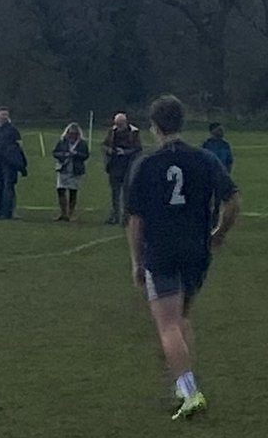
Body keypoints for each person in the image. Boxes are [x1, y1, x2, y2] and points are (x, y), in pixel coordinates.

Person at [126, 95, 240, 421]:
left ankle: (190, 391)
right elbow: (233, 199)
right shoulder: (204, 159)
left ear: (154, 126)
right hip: (197, 251)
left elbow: (135, 220)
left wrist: (136, 261)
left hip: (162, 251)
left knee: (168, 325)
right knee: (183, 317)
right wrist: (219, 233)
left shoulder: (146, 164)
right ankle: (182, 381)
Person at [0, 108, 25, 220]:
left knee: (8, 186)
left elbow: (19, 145)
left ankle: (7, 212)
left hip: (9, 162)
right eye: (2, 114)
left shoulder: (13, 130)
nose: (4, 116)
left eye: (6, 115)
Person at [102, 112, 142, 225]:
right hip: (114, 166)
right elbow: (105, 145)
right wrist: (108, 150)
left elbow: (138, 149)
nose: (118, 127)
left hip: (128, 166)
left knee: (127, 193)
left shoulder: (134, 132)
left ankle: (126, 217)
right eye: (117, 124)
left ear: (125, 122)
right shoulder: (112, 132)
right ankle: (115, 215)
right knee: (115, 192)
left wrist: (125, 152)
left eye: (120, 124)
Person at [52, 122, 90, 222]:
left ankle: (70, 213)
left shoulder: (82, 143)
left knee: (73, 192)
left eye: (74, 133)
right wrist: (64, 154)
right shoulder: (62, 141)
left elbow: (86, 155)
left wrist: (76, 154)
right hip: (63, 168)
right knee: (61, 190)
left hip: (75, 170)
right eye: (70, 133)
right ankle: (63, 213)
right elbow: (55, 153)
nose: (72, 135)